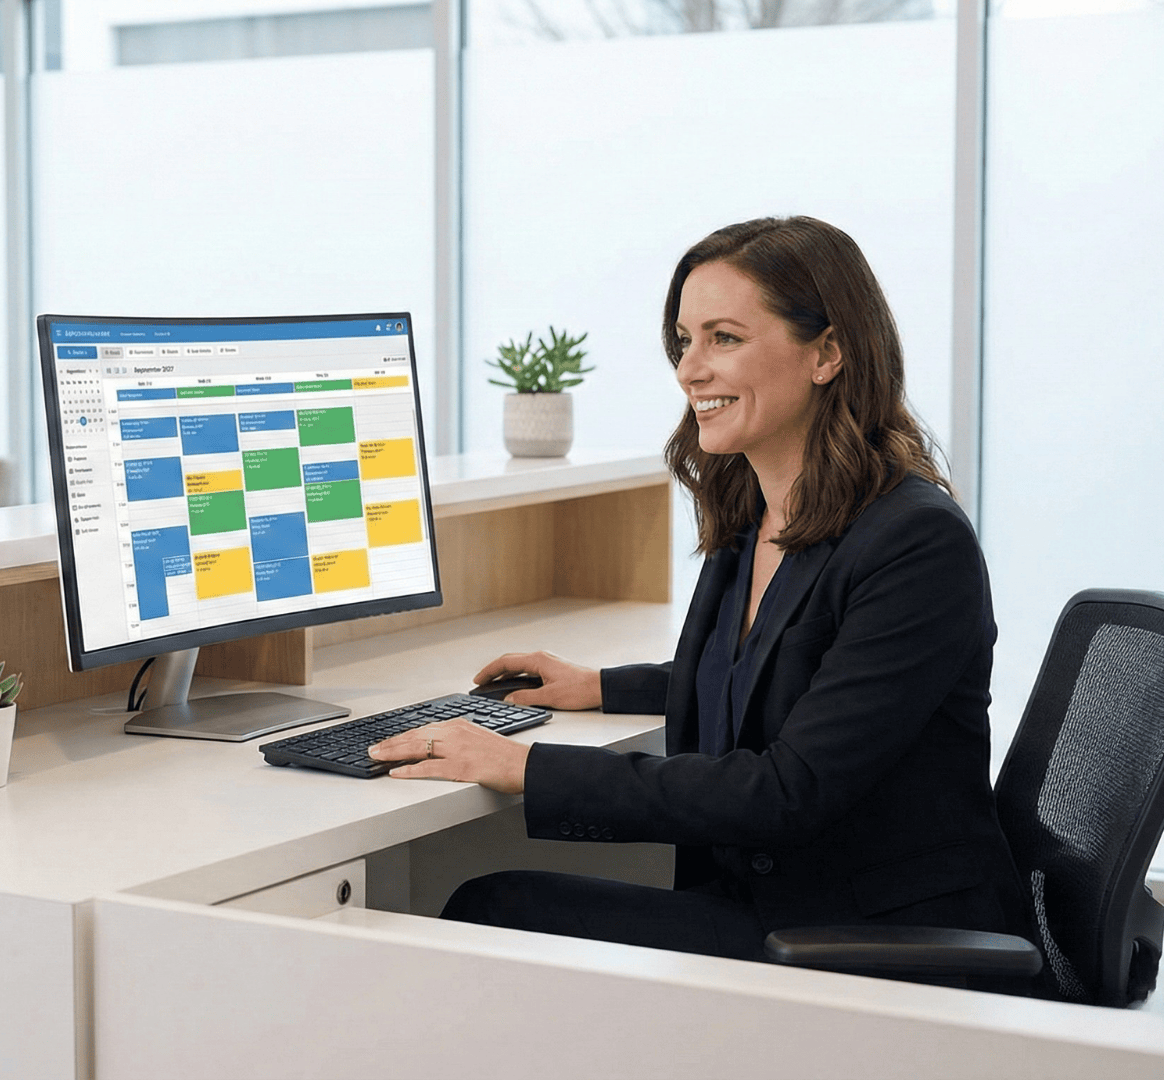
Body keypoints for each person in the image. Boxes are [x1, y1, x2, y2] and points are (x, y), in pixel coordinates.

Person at [369, 216, 1033, 967]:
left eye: (724, 337)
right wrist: (600, 685)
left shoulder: (915, 542)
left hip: (872, 932)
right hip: (776, 902)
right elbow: (784, 676)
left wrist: (522, 768)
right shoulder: (757, 509)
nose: (690, 370)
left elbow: (790, 787)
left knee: (491, 907)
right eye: (684, 340)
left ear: (828, 353)